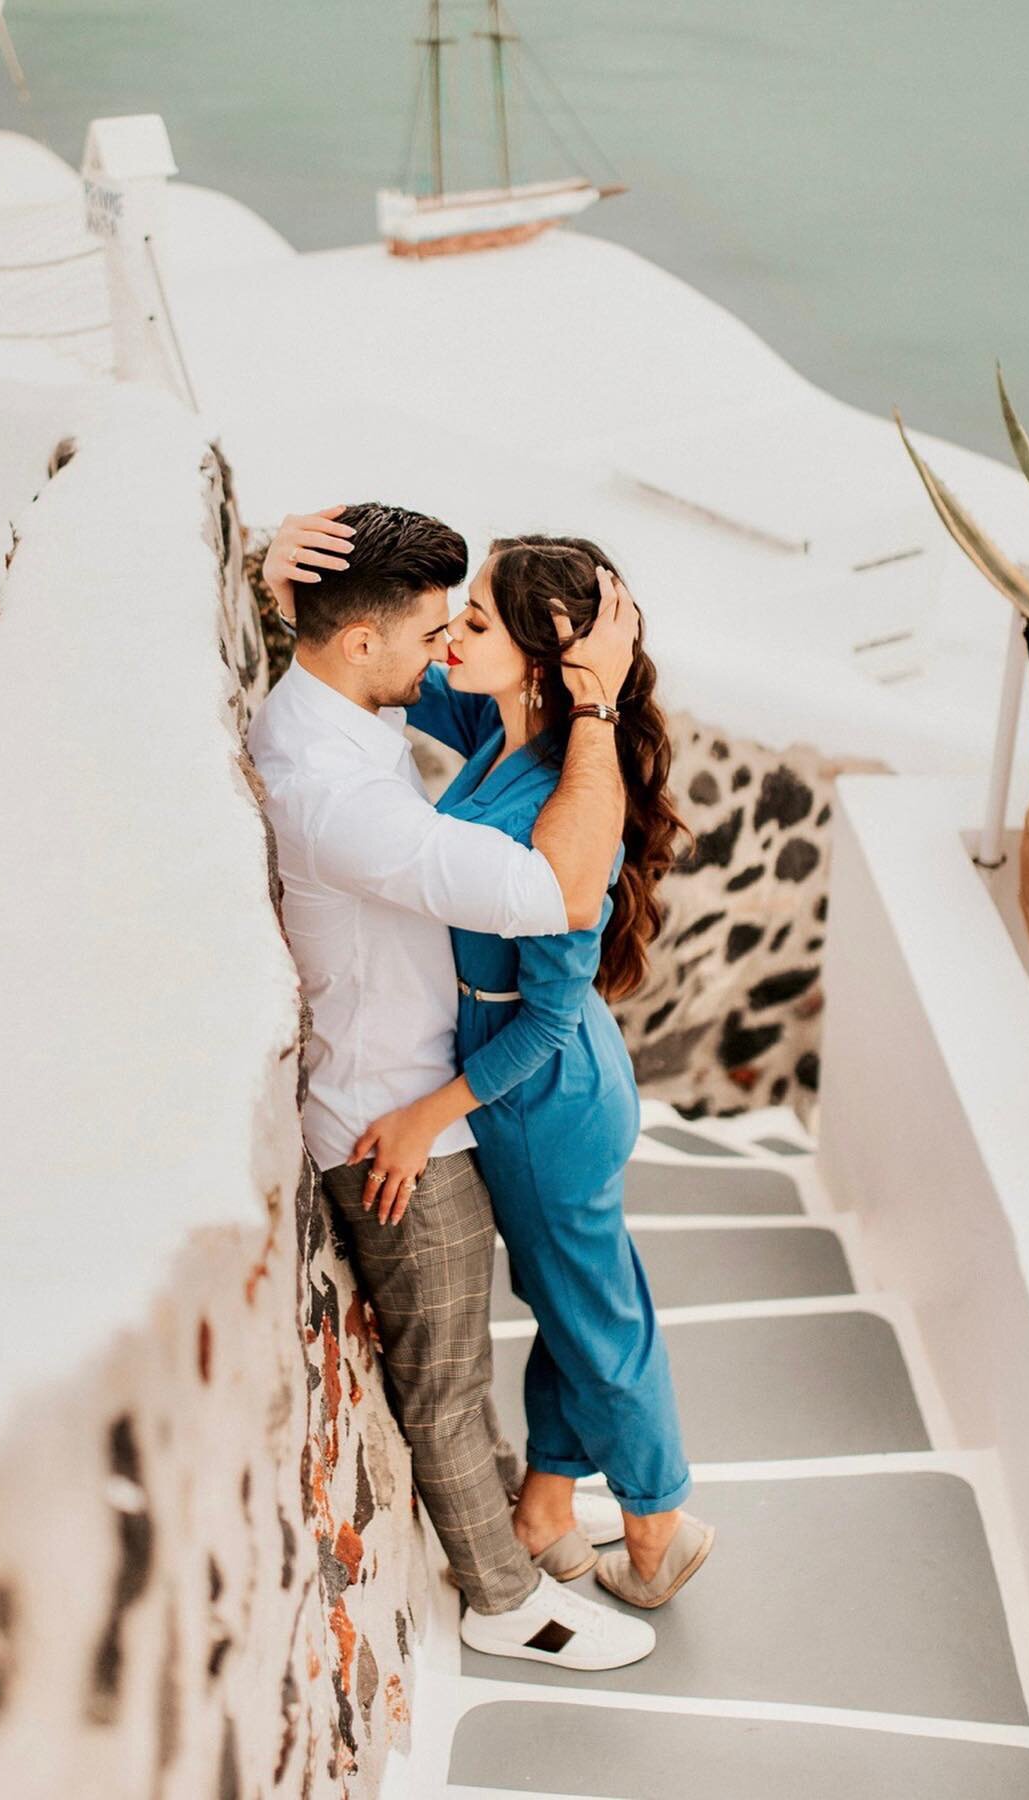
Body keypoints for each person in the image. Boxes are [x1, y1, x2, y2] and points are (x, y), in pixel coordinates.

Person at [247, 503, 655, 1670]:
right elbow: (568, 894)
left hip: (419, 1098)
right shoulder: (340, 800)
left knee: (467, 1360)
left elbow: (397, 662)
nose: (445, 655)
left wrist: (279, 582)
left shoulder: (332, 706)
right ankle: (501, 1602)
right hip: (385, 1120)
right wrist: (595, 705)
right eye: (435, 631)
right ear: (366, 646)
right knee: (444, 1375)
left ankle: (508, 1552)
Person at [350, 534, 715, 1610]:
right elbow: (388, 678)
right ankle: (550, 1506)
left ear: (543, 664)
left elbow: (550, 1017)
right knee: (566, 1297)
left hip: (542, 1098)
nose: (449, 636)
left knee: (597, 1319)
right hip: (539, 1093)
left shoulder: (563, 804)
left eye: (475, 625)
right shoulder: (496, 727)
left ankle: (657, 1525)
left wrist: (431, 1115)